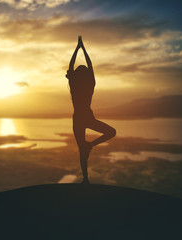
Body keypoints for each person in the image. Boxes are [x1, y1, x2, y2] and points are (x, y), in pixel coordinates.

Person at [66, 36, 116, 184]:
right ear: (87, 76)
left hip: (78, 119)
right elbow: (90, 65)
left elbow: (71, 66)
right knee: (111, 132)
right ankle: (90, 148)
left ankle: (85, 177)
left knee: (82, 150)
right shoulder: (90, 84)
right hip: (88, 117)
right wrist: (83, 48)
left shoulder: (74, 86)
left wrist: (77, 48)